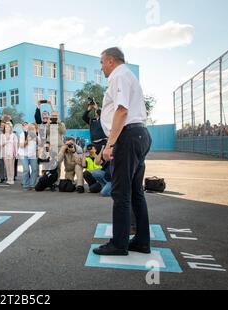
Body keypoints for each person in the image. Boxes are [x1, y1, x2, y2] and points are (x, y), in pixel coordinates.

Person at [93, 47, 152, 256]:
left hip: (128, 136)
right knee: (135, 192)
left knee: (121, 192)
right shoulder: (127, 75)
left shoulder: (119, 75)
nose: (101, 68)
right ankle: (142, 241)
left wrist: (110, 145)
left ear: (110, 61)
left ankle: (119, 244)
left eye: (101, 63)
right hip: (138, 135)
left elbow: (122, 110)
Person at [19, 123, 40, 191]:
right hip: (23, 154)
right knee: (26, 170)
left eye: (34, 129)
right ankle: (26, 185)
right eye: (31, 129)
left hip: (32, 155)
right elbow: (21, 146)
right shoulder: (23, 134)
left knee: (34, 169)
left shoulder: (37, 135)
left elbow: (39, 143)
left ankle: (32, 185)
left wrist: (36, 137)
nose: (32, 130)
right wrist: (27, 140)